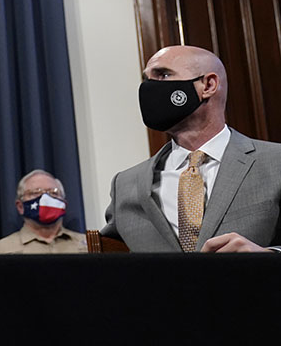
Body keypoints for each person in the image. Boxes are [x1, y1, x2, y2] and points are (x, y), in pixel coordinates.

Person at [102, 45, 281, 252]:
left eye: (163, 75)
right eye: (146, 79)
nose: (149, 88)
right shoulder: (125, 184)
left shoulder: (275, 162)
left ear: (208, 85)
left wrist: (268, 256)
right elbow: (108, 258)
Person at [0, 170, 86, 254]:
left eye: (53, 192)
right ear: (20, 206)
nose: (46, 198)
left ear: (64, 204)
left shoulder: (90, 245)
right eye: (36, 192)